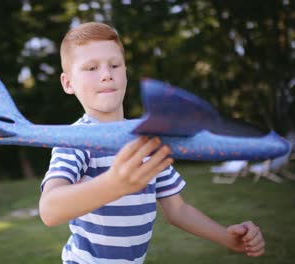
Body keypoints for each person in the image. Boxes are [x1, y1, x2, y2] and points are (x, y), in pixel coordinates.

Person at [38, 22, 265, 263]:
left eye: (114, 65)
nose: (106, 74)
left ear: (125, 71)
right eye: (91, 68)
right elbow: (50, 210)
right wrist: (114, 184)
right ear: (68, 83)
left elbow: (177, 210)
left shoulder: (148, 138)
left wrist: (226, 237)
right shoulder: (75, 141)